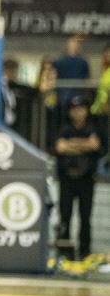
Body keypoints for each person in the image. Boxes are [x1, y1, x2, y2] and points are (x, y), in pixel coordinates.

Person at [54, 95, 104, 260]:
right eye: (74, 109)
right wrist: (84, 145)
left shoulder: (93, 127)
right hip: (67, 178)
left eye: (81, 108)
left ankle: (84, 250)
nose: (78, 112)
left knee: (85, 216)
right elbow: (60, 147)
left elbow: (96, 146)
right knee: (65, 216)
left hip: (86, 179)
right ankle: (64, 250)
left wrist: (71, 145)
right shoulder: (64, 128)